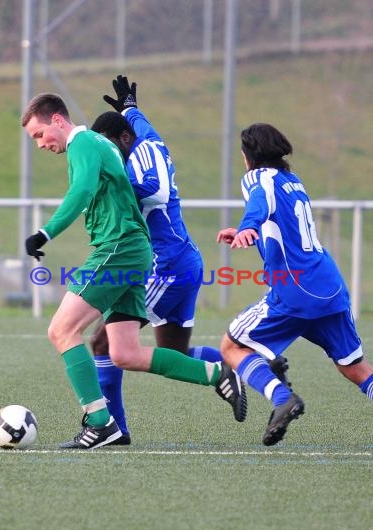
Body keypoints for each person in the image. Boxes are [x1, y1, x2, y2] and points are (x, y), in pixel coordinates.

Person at [21, 92, 246, 450]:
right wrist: (132, 111)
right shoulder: (99, 145)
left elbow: (80, 190)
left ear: (58, 121)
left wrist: (45, 232)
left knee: (62, 330)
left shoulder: (83, 143)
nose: (40, 144)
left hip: (118, 249)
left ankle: (100, 423)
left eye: (38, 134)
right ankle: (218, 373)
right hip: (132, 249)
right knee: (123, 353)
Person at [88, 75, 248, 444]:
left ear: (125, 139)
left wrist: (112, 187)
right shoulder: (143, 137)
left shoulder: (140, 155)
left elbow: (156, 191)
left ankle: (113, 430)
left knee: (103, 345)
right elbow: (138, 122)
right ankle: (249, 367)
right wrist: (130, 105)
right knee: (172, 352)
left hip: (166, 266)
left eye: (111, 147)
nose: (109, 156)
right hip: (183, 261)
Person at [217, 122, 373, 446]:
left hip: (296, 290)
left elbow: (259, 202)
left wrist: (249, 224)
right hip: (329, 285)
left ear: (249, 157)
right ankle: (274, 361)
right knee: (355, 368)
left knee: (231, 347)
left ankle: (281, 397)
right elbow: (281, 222)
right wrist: (249, 230)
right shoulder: (293, 181)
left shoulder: (257, 177)